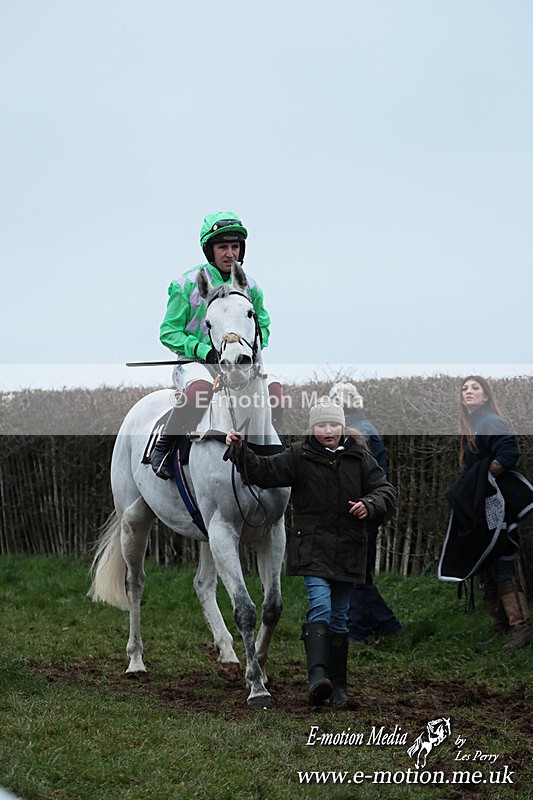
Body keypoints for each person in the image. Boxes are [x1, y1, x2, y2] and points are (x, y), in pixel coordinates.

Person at [225, 398, 397, 706]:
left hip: (349, 550)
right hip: (313, 549)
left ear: (343, 427)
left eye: (333, 424)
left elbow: (386, 491)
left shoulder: (360, 458)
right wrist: (240, 450)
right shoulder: (297, 456)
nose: (328, 431)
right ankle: (318, 678)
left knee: (341, 618)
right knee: (320, 607)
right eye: (321, 425)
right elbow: (263, 472)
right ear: (312, 428)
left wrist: (369, 505)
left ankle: (340, 688)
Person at [151, 211, 283, 479]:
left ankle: (276, 451)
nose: (230, 253)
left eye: (235, 247)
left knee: (276, 390)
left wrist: (250, 351)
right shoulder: (184, 285)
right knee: (198, 391)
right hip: (195, 363)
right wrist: (204, 351)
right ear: (209, 250)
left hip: (239, 362)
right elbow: (168, 332)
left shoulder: (251, 288)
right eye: (223, 247)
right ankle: (164, 446)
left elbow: (264, 327)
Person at [455, 375, 533, 651]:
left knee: (500, 562)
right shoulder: (473, 425)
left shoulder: (490, 422)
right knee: (487, 564)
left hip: (498, 505)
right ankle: (499, 628)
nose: (469, 391)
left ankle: (521, 628)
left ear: (486, 396)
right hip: (483, 506)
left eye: (475, 388)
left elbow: (509, 454)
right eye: (465, 389)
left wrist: (481, 479)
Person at [329, 383, 403, 645]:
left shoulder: (356, 433)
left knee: (354, 572)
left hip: (359, 510)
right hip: (370, 508)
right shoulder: (365, 427)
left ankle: (359, 631)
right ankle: (388, 625)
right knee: (361, 573)